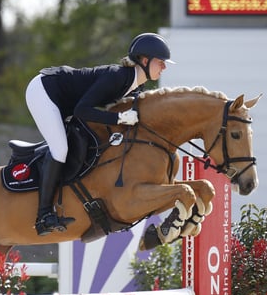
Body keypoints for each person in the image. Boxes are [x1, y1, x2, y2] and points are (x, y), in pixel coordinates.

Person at [25, 32, 175, 236]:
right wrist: (119, 119)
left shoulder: (136, 85)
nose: (164, 67)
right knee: (60, 149)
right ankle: (43, 216)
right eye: (161, 62)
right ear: (145, 60)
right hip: (44, 91)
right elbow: (82, 111)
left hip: (62, 100)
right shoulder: (117, 76)